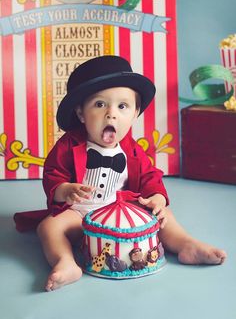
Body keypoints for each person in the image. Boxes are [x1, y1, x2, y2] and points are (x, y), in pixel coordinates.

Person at [35, 55, 226, 291]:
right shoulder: (69, 145)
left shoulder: (132, 149)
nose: (111, 114)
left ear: (135, 113)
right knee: (49, 227)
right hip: (79, 211)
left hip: (121, 207)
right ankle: (65, 262)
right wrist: (64, 190)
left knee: (163, 215)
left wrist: (156, 197)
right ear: (81, 114)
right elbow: (53, 172)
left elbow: (149, 176)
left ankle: (186, 244)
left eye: (122, 106)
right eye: (99, 104)